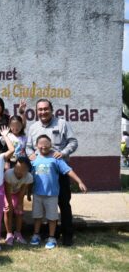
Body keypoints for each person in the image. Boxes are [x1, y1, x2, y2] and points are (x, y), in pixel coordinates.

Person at [26, 99, 78, 246]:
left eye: (46, 109)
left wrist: (63, 152)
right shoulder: (33, 127)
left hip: (59, 170)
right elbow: (29, 146)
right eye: (40, 109)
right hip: (42, 172)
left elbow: (73, 142)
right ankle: (46, 233)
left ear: (52, 109)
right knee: (42, 204)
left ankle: (67, 234)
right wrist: (31, 155)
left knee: (63, 202)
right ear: (37, 111)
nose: (43, 112)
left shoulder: (62, 124)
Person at [30, 135, 87, 249]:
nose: (44, 146)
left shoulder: (56, 159)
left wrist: (79, 181)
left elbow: (68, 170)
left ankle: (52, 237)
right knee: (37, 216)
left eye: (46, 144)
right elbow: (29, 177)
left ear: (51, 145)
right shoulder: (34, 160)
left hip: (52, 195)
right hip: (37, 194)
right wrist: (27, 192)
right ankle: (36, 234)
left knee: (52, 217)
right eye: (41, 144)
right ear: (36, 146)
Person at [3, 157, 33, 246]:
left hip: (17, 193)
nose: (18, 171)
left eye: (22, 169)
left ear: (27, 169)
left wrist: (20, 203)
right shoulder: (8, 174)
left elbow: (23, 191)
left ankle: (18, 233)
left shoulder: (29, 177)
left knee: (19, 211)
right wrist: (9, 203)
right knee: (8, 210)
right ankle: (9, 234)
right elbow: (7, 191)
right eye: (17, 167)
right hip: (6, 193)